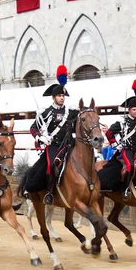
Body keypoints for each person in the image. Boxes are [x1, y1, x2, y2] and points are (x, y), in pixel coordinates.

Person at [30, 65, 79, 205]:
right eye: (59, 96)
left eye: (63, 96)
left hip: (69, 144)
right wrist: (41, 137)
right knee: (51, 165)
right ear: (53, 97)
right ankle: (50, 192)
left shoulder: (72, 111)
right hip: (54, 146)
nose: (62, 98)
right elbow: (33, 128)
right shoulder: (45, 113)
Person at [104, 79, 136, 199]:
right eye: (134, 110)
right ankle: (125, 189)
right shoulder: (122, 122)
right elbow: (110, 134)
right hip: (127, 150)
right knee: (131, 167)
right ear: (129, 110)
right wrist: (116, 146)